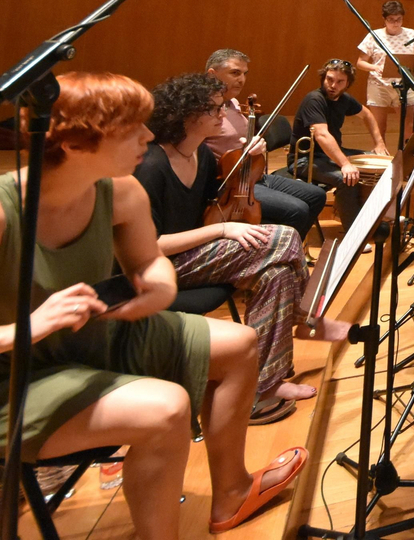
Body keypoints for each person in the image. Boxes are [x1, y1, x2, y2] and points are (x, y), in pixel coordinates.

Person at [0, 72, 305, 538]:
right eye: (132, 129)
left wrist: (157, 289)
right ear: (75, 143)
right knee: (164, 409)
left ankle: (231, 492)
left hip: (76, 342)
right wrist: (24, 329)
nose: (148, 136)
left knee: (239, 345)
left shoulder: (119, 191)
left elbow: (149, 262)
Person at [136, 74, 350, 425]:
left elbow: (219, 201)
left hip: (195, 255)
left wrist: (248, 161)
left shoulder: (201, 155)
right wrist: (223, 230)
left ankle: (263, 387)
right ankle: (308, 318)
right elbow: (150, 246)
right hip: (157, 267)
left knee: (276, 274)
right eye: (215, 109)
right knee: (284, 237)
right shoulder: (151, 166)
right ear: (187, 115)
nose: (224, 114)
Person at [203, 48, 327, 240]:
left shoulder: (233, 102)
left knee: (316, 195)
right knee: (297, 210)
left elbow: (242, 139)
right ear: (212, 74)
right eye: (235, 73)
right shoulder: (203, 110)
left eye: (244, 74)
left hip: (253, 175)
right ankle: (276, 250)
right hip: (231, 184)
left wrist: (258, 144)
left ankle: (291, 246)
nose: (242, 79)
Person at [290, 59, 382, 226]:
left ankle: (376, 218)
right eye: (329, 79)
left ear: (348, 83)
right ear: (323, 77)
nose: (333, 85)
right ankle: (354, 232)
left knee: (378, 163)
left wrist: (379, 144)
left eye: (340, 82)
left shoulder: (344, 99)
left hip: (328, 156)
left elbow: (367, 115)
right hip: (305, 160)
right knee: (347, 179)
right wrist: (345, 164)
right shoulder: (314, 100)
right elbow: (322, 135)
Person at [353, 0, 414, 155]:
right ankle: (381, 159)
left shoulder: (412, 34)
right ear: (384, 19)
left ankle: (406, 158)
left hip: (404, 85)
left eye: (399, 19)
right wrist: (375, 67)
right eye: (391, 20)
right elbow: (360, 62)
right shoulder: (374, 35)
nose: (395, 23)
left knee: (409, 127)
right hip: (379, 85)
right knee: (379, 127)